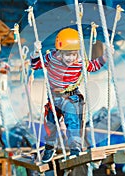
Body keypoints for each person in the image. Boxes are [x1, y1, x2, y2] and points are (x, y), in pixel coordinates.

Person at [30, 28, 113, 163]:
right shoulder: (51, 57)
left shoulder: (80, 62)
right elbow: (35, 65)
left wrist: (105, 56)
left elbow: (93, 66)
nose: (71, 58)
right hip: (54, 97)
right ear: (59, 52)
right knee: (51, 123)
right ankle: (50, 147)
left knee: (72, 121)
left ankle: (75, 149)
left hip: (71, 96)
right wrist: (35, 52)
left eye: (74, 54)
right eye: (67, 55)